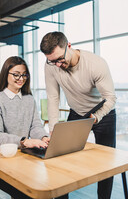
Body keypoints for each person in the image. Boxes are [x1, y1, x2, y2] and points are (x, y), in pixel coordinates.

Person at [40, 31, 116, 199]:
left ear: (69, 46)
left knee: (106, 165)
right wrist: (53, 130)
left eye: (60, 59)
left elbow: (110, 98)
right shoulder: (51, 65)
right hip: (76, 112)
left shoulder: (95, 64)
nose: (57, 65)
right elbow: (53, 98)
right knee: (59, 157)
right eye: (52, 61)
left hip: (103, 114)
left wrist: (97, 116)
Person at [0, 56, 50, 199]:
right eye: (16, 74)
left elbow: (35, 126)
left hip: (25, 157)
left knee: (53, 186)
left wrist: (43, 137)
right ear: (5, 74)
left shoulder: (29, 99)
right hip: (0, 162)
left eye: (24, 74)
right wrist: (24, 141)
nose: (21, 78)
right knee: (27, 193)